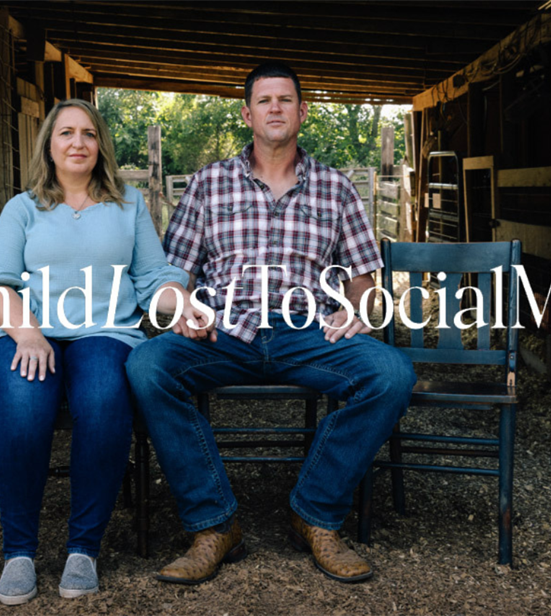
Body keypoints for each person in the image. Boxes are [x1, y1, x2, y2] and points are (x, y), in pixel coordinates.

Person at [126, 62, 417, 585]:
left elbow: (364, 276)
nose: (276, 108)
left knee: (392, 373)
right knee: (147, 366)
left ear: (302, 112)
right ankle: (214, 525)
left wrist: (354, 307)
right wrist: (184, 306)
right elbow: (175, 274)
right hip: (223, 331)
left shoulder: (335, 188)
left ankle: (315, 514)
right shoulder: (208, 184)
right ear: (247, 113)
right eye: (265, 100)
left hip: (306, 331)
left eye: (286, 100)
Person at [0, 99, 193, 605]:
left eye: (88, 134)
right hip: (25, 331)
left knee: (102, 398)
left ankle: (83, 548)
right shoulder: (23, 208)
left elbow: (154, 278)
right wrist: (28, 335)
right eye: (66, 133)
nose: (78, 143)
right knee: (26, 405)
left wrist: (178, 305)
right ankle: (19, 552)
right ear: (49, 145)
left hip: (103, 332)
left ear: (101, 146)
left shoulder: (129, 204)